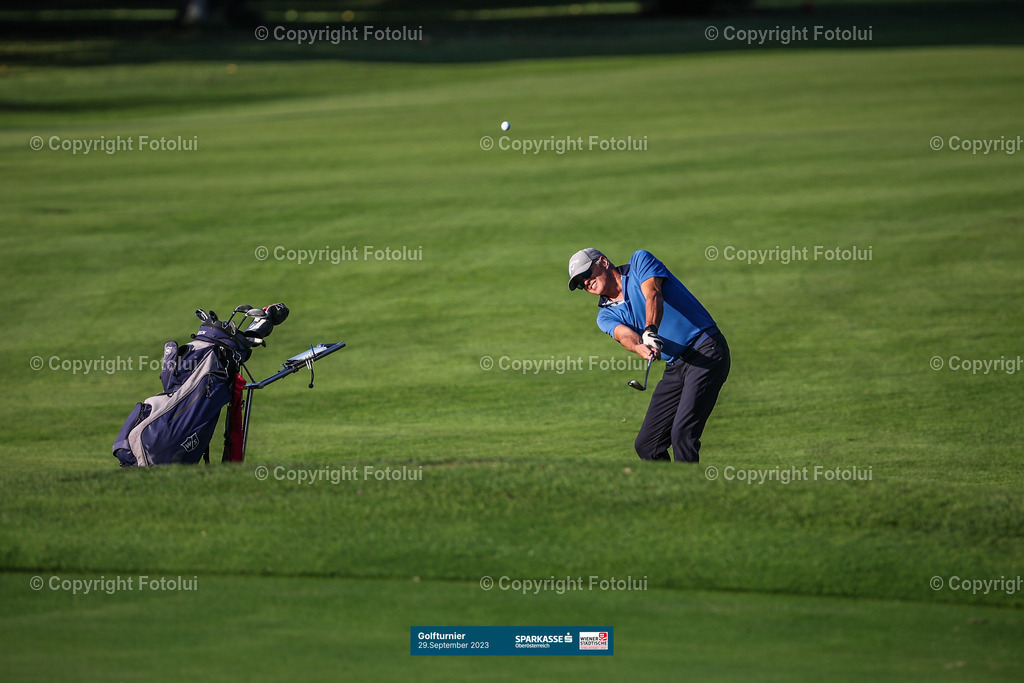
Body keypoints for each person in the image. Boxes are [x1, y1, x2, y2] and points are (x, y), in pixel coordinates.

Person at [568, 248, 730, 462]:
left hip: (705, 348)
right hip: (676, 366)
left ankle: (690, 484)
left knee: (683, 434)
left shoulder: (640, 262)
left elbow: (653, 293)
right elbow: (624, 335)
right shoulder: (604, 315)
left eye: (586, 274)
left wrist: (650, 330)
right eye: (580, 283)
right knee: (647, 445)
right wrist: (639, 347)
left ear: (603, 262)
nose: (586, 282)